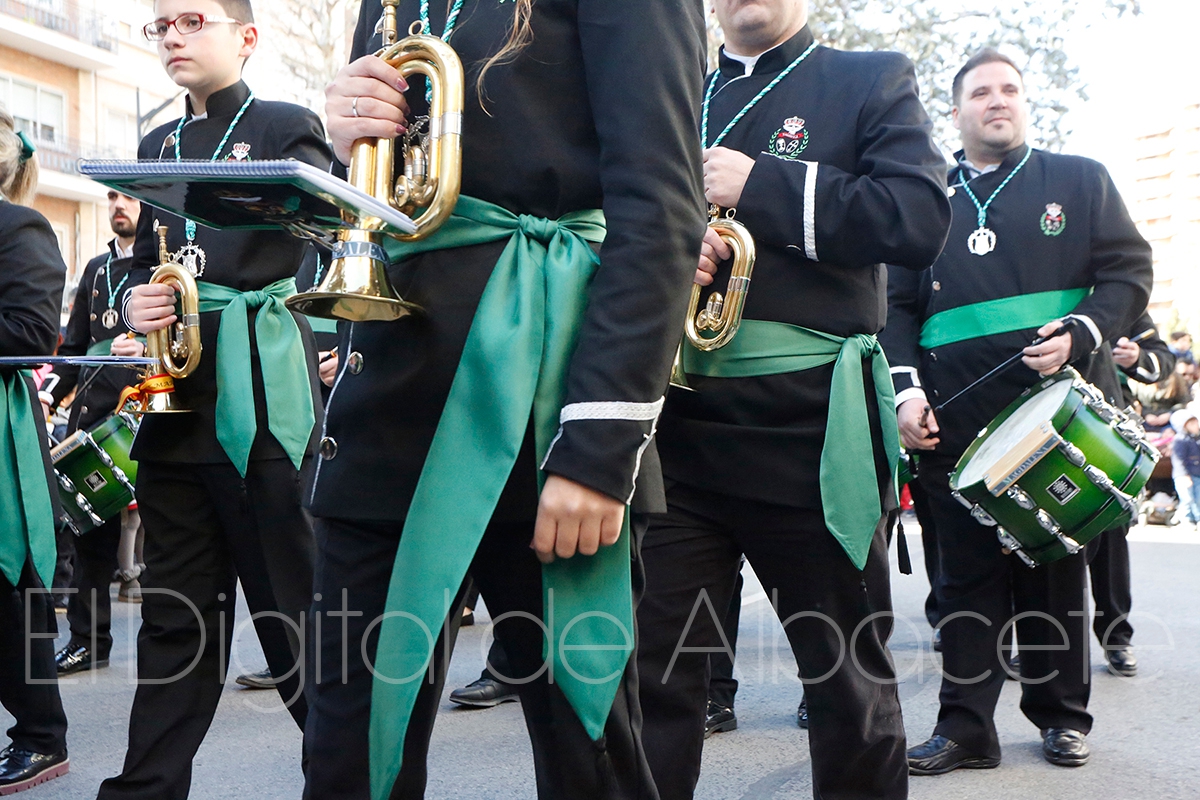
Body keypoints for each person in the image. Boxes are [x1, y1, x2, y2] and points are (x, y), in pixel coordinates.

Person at [303, 1, 706, 798]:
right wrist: (348, 135)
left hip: (547, 400)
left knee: (587, 752)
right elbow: (383, 200)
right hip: (388, 397)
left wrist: (599, 446)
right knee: (348, 755)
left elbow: (661, 208)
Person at [634, 0, 952, 797]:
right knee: (653, 680)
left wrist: (762, 185)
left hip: (810, 427)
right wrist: (670, 243)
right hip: (675, 430)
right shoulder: (668, 87)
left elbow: (917, 219)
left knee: (847, 685)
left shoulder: (869, 77)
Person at [882, 49, 1153, 774]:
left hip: (1054, 417)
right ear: (956, 112)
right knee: (962, 582)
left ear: (1025, 103)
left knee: (1054, 572)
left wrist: (1083, 333)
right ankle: (967, 729)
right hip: (951, 417)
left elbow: (1128, 272)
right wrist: (906, 392)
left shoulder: (1080, 179)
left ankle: (1062, 717)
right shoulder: (924, 200)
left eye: (1009, 89)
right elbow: (894, 308)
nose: (997, 100)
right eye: (980, 92)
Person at [95, 1, 330, 797]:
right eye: (161, 25)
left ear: (247, 37)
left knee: (294, 614)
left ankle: (347, 781)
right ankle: (145, 789)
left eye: (193, 20)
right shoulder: (156, 144)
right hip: (176, 402)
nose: (173, 36)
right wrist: (134, 302)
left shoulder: (285, 124)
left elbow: (327, 242)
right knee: (173, 620)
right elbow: (141, 266)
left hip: (264, 403)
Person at [0, 107, 70, 794]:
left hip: (2, 436)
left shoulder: (19, 226)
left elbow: (29, 332)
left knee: (7, 589)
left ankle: (41, 737)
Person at [47, 190, 146, 677]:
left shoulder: (162, 266)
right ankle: (89, 642)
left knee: (170, 541)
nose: (118, 205)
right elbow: (75, 348)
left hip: (146, 419)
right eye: (111, 197)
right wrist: (48, 395)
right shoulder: (94, 269)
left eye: (127, 197)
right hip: (93, 420)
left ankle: (171, 647)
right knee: (89, 540)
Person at [1086, 314, 1175, 678]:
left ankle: (1116, 639)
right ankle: (1041, 644)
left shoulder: (1119, 297)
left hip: (1108, 433)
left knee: (1110, 544)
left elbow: (1162, 359)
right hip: (1042, 423)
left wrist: (1137, 357)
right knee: (1041, 542)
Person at [1171, 409, 1200, 528]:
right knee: (1187, 498)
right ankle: (1186, 519)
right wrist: (1183, 475)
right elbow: (1178, 460)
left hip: (1197, 473)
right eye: (1191, 424)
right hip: (1184, 475)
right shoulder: (1180, 440)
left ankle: (1197, 518)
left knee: (1198, 498)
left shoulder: (1197, 439)